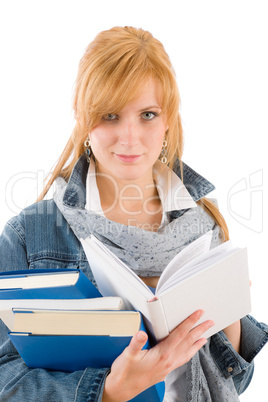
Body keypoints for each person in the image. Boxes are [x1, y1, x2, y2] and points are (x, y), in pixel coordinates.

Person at [0, 26, 267, 402]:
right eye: (110, 115)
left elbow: (232, 381)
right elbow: (5, 382)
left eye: (147, 114)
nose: (129, 137)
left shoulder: (202, 224)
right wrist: (109, 391)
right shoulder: (32, 234)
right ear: (82, 116)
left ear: (168, 119)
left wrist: (230, 312)